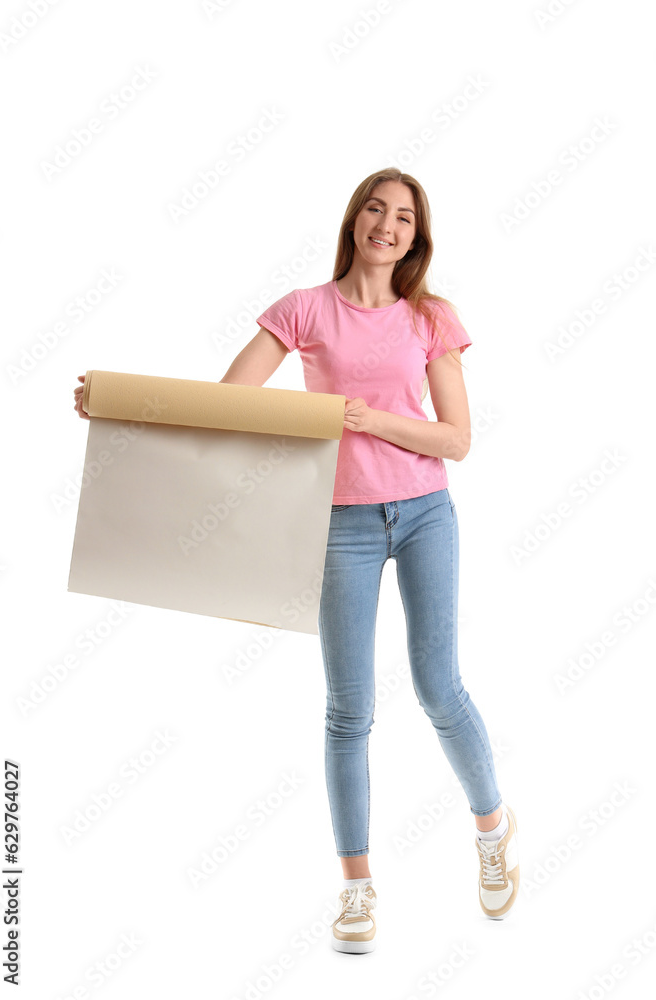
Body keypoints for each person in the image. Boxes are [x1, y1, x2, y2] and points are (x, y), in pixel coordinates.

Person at [73, 166, 519, 954]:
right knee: (349, 711)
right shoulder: (303, 310)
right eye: (375, 210)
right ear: (354, 220)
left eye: (404, 218)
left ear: (418, 237)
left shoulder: (430, 317)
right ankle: (356, 888)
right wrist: (113, 404)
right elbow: (228, 408)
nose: (386, 225)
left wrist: (367, 420)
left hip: (423, 516)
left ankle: (490, 829)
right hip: (338, 526)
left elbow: (456, 440)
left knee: (438, 688)